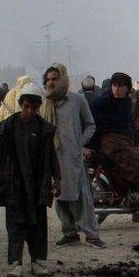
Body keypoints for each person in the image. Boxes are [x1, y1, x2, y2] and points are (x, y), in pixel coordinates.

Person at [0, 83, 60, 277]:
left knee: (38, 224)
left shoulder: (44, 129)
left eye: (34, 108)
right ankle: (15, 263)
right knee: (15, 224)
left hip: (36, 184)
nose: (29, 111)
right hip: (14, 183)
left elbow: (51, 156)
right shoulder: (9, 126)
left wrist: (57, 179)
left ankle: (37, 261)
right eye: (26, 106)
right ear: (20, 104)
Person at [41, 64, 104, 248]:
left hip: (72, 158)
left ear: (63, 80)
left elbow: (90, 124)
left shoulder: (77, 100)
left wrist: (80, 143)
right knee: (59, 197)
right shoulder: (44, 103)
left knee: (81, 197)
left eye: (55, 79)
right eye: (48, 80)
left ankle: (92, 235)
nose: (51, 83)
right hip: (52, 157)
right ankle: (69, 233)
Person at [89, 72, 139, 222]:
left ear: (127, 88)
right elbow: (90, 125)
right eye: (114, 86)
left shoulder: (126, 102)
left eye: (120, 86)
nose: (116, 89)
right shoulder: (101, 103)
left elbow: (129, 122)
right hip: (111, 144)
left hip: (124, 143)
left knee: (138, 167)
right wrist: (86, 145)